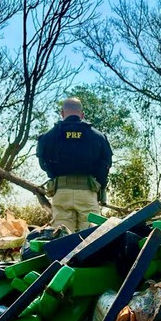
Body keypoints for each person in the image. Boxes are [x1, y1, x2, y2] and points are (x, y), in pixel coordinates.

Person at [37, 97, 113, 232]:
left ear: (62, 113)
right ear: (82, 114)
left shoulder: (48, 137)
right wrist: (98, 183)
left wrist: (54, 174)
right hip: (88, 192)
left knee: (62, 238)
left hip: (61, 192)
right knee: (91, 238)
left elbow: (43, 164)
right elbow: (106, 164)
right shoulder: (98, 136)